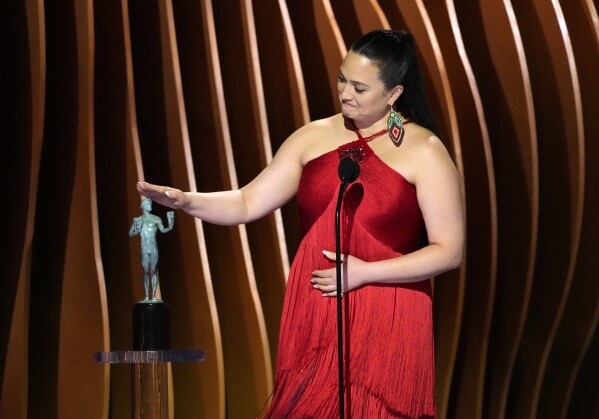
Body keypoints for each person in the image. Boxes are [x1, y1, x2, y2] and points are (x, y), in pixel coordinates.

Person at [136, 29, 463, 418]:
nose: (345, 93)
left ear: (394, 94)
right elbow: (246, 202)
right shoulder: (313, 136)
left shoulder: (423, 150)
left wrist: (364, 272)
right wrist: (186, 200)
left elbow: (449, 251)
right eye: (342, 78)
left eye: (360, 87)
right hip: (318, 303)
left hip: (388, 308)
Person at [129, 198, 175, 302]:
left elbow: (163, 230)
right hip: (144, 249)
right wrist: (136, 229)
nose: (150, 205)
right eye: (148, 204)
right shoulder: (138, 220)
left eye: (150, 204)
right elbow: (131, 233)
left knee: (154, 271)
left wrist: (170, 225)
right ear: (143, 206)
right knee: (145, 271)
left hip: (153, 248)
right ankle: (146, 295)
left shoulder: (156, 219)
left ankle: (153, 295)